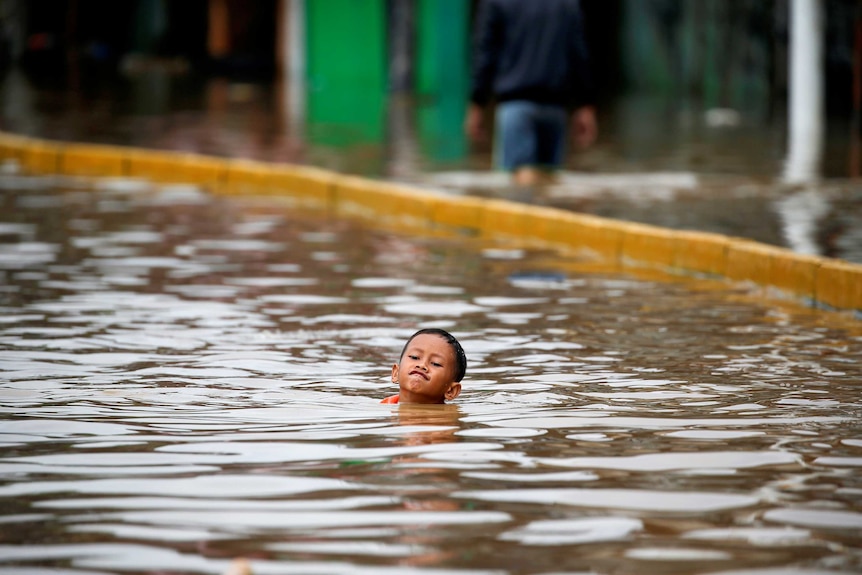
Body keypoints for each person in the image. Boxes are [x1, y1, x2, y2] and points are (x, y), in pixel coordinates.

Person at [465, 0, 598, 187]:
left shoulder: (497, 3)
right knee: (550, 183)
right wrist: (586, 105)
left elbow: (486, 54)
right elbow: (579, 53)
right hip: (555, 110)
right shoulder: (566, 4)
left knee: (520, 182)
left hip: (516, 106)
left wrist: (477, 103)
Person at [381, 328, 467, 404]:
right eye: (414, 357)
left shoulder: (446, 419)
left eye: (435, 363)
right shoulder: (384, 408)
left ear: (451, 391)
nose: (422, 365)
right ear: (396, 373)